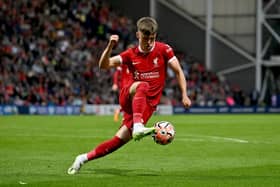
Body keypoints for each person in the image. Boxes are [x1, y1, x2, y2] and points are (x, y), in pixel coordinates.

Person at [67, 17, 191, 175]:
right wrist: (110, 46)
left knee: (116, 142)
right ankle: (138, 127)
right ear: (138, 35)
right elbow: (103, 65)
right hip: (129, 95)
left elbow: (179, 71)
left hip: (146, 107)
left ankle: (82, 158)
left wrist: (185, 94)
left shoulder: (164, 50)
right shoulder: (130, 54)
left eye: (152, 38)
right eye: (146, 38)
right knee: (143, 84)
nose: (149, 42)